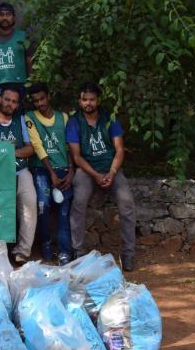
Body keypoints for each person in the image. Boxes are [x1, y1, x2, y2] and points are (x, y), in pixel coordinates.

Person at [66, 83, 136, 271]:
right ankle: (78, 251)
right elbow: (77, 157)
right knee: (78, 202)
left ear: (97, 101)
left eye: (92, 99)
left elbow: (120, 150)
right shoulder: (74, 122)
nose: (88, 103)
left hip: (111, 168)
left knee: (127, 203)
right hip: (87, 171)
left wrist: (112, 172)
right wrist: (96, 175)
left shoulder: (109, 119)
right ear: (80, 102)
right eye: (85, 99)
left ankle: (129, 254)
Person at [25, 83, 74, 265]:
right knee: (43, 205)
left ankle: (64, 252)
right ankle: (45, 243)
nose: (40, 103)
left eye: (42, 99)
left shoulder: (64, 117)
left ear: (48, 96)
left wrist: (71, 171)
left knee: (63, 210)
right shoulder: (29, 117)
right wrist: (51, 173)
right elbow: (37, 145)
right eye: (36, 101)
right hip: (42, 170)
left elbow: (70, 147)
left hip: (63, 169)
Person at [0, 87, 36, 264]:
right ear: (0, 100)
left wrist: (8, 151)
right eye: (7, 100)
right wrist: (8, 151)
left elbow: (30, 148)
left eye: (14, 101)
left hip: (20, 169)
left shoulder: (20, 120)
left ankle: (22, 251)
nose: (10, 104)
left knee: (30, 201)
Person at [0, 2, 31, 107]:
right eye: (1, 15)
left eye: (8, 14)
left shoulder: (23, 37)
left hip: (19, 87)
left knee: (19, 121)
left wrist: (31, 87)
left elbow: (29, 62)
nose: (5, 17)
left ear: (13, 18)